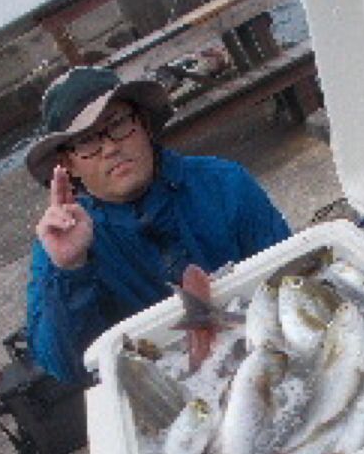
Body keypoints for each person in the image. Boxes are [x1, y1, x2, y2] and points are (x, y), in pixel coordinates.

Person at [24, 66, 291, 383]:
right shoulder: (58, 247)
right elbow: (69, 368)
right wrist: (70, 269)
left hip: (267, 354)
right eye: (86, 141)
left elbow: (289, 278)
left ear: (144, 124)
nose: (110, 147)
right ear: (68, 165)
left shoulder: (224, 183)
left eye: (118, 123)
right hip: (167, 388)